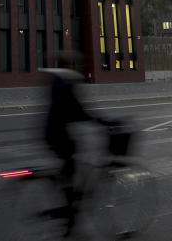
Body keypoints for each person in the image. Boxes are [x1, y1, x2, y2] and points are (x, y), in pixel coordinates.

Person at [43, 51, 100, 231]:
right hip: (58, 134)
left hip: (53, 132)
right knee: (71, 164)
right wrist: (101, 121)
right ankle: (69, 215)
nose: (75, 68)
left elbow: (74, 109)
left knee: (70, 166)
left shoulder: (58, 80)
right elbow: (77, 109)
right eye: (72, 65)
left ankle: (68, 207)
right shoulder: (64, 82)